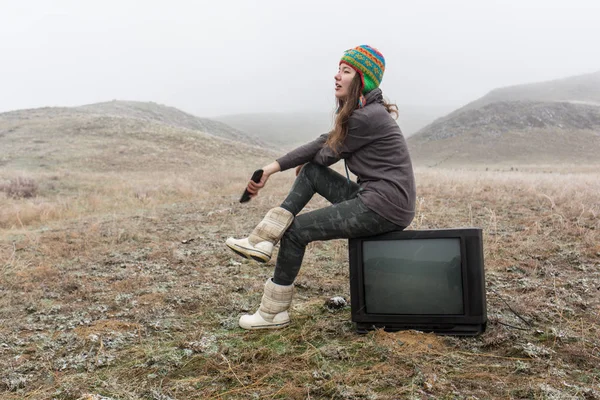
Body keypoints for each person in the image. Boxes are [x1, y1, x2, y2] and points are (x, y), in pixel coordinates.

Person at [226, 45, 416, 330]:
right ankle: (262, 239)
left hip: (384, 206)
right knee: (313, 171)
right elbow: (322, 146)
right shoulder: (365, 113)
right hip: (374, 197)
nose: (337, 76)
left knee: (296, 231)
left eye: (346, 71)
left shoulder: (367, 118)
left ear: (362, 80)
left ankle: (273, 313)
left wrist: (305, 163)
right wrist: (272, 168)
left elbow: (326, 151)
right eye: (338, 70)